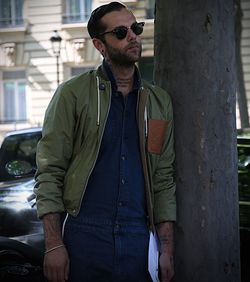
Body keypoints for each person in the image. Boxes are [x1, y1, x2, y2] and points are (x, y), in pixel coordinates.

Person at [34, 2, 176, 282]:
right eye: (122, 32)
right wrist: (53, 244)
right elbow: (50, 171)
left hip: (139, 238)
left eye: (136, 28)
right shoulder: (72, 95)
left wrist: (166, 249)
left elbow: (162, 177)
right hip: (83, 236)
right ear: (100, 45)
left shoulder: (159, 102)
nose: (133, 36)